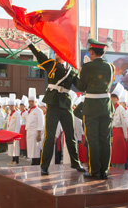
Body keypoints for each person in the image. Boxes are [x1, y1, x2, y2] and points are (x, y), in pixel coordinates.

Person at [26, 40, 85, 175]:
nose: (56, 54)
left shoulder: (72, 71)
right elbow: (39, 55)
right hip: (52, 103)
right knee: (49, 135)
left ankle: (75, 163)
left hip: (65, 104)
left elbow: (81, 86)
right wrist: (29, 42)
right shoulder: (51, 65)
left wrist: (85, 70)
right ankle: (44, 165)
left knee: (71, 135)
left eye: (58, 52)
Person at [76, 38, 115, 179]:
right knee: (105, 139)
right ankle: (104, 170)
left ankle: (94, 170)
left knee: (92, 140)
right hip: (106, 106)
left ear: (91, 52)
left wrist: (79, 72)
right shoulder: (111, 67)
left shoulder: (87, 67)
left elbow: (81, 86)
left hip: (91, 106)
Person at [110, 84, 128, 168]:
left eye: (114, 98)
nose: (112, 99)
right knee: (112, 155)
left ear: (118, 99)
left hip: (119, 133)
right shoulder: (110, 108)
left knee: (119, 154)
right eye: (112, 97)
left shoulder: (121, 109)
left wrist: (125, 135)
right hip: (111, 132)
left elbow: (125, 123)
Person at [25, 88, 44, 166]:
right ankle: (33, 162)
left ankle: (36, 163)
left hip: (35, 132)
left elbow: (40, 123)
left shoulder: (38, 111)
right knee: (31, 149)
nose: (31, 103)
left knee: (35, 150)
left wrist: (39, 134)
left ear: (35, 101)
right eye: (30, 101)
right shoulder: (29, 111)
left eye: (32, 101)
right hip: (29, 132)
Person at [7, 95, 22, 166]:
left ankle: (16, 160)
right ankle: (13, 160)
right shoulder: (10, 114)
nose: (10, 107)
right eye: (10, 106)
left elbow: (18, 124)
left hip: (15, 132)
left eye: (12, 106)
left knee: (16, 147)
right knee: (11, 147)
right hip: (10, 132)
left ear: (15, 106)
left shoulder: (17, 114)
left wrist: (16, 134)